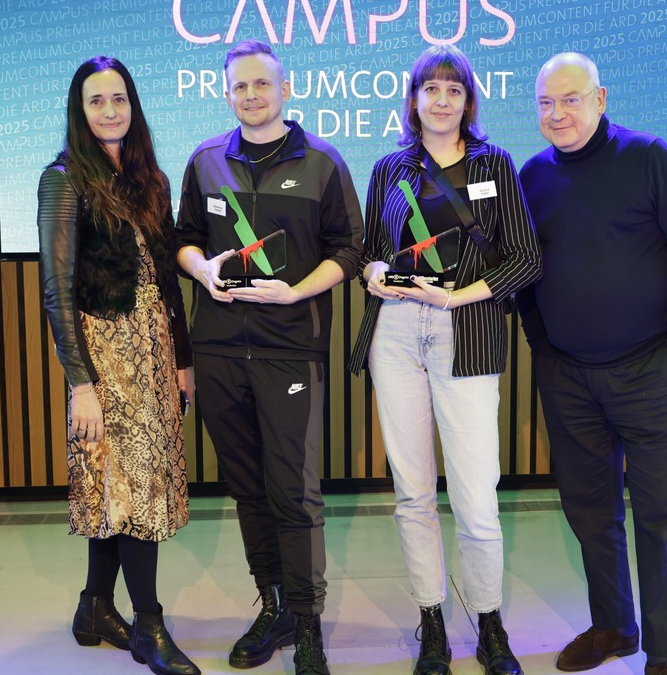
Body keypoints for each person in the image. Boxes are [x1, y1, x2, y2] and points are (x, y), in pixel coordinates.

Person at [514, 53, 667, 675]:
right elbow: (524, 273)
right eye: (547, 103)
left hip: (650, 372)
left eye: (571, 99)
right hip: (568, 378)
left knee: (663, 517)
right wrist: (543, 348)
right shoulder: (532, 176)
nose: (558, 114)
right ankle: (613, 627)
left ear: (601, 99)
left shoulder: (651, 159)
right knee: (590, 513)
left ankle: (664, 653)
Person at [347, 45, 542, 675]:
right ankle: (431, 620)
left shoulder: (495, 163)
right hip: (397, 334)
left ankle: (488, 623)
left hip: (467, 329)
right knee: (413, 494)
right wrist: (374, 272)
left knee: (476, 493)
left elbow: (525, 258)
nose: (440, 99)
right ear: (412, 100)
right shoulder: (387, 169)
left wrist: (457, 294)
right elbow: (371, 253)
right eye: (429, 88)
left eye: (452, 89)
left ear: (468, 100)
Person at [175, 39, 363, 675]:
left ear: (285, 89)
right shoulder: (205, 162)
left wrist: (297, 291)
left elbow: (349, 251)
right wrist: (201, 273)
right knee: (248, 489)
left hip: (291, 351)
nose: (250, 96)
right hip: (220, 349)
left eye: (261, 85)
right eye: (239, 87)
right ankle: (275, 604)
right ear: (226, 93)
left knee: (293, 492)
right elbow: (186, 241)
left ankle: (308, 626)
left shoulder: (324, 164)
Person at [37, 55, 199, 675]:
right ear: (80, 111)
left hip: (155, 353)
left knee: (121, 486)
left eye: (119, 99)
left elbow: (164, 275)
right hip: (103, 359)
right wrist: (81, 385)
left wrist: (181, 359)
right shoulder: (64, 179)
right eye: (96, 101)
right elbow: (57, 289)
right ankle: (149, 627)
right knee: (130, 491)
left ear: (133, 105)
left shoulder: (148, 178)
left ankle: (95, 608)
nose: (110, 111)